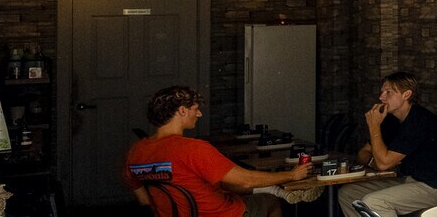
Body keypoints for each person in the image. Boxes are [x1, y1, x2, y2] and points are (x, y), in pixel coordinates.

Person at [124, 85, 309, 217]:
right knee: (270, 202)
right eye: (195, 109)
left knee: (225, 185)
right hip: (223, 214)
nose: (199, 114)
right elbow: (246, 181)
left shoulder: (135, 152)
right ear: (181, 111)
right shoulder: (193, 148)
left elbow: (145, 200)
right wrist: (292, 175)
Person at [337, 72, 437, 217]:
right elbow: (363, 154)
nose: (381, 97)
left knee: (374, 202)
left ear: (406, 95)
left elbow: (383, 164)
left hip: (434, 187)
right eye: (382, 92)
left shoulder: (419, 120)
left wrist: (373, 126)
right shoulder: (391, 120)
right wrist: (376, 161)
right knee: (348, 193)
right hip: (408, 181)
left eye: (389, 92)